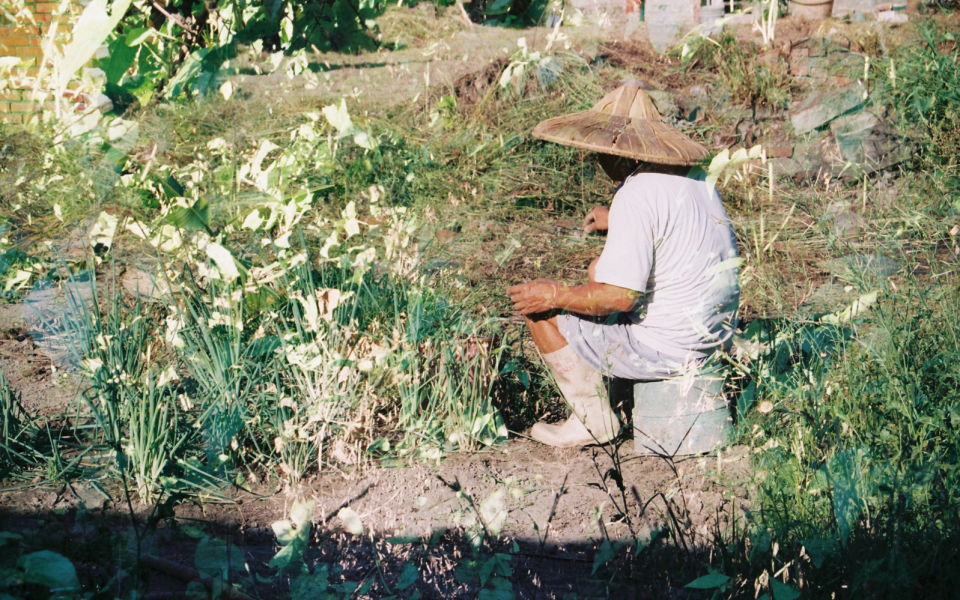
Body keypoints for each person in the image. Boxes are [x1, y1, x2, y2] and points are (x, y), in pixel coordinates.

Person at [507, 82, 740, 448]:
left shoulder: (635, 193)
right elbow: (672, 224)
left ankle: (592, 418)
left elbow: (620, 297)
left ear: (622, 155)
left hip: (671, 350)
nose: (599, 162)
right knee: (598, 269)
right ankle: (618, 400)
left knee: (539, 311)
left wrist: (554, 294)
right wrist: (614, 216)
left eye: (602, 154)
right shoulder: (696, 179)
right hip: (715, 335)